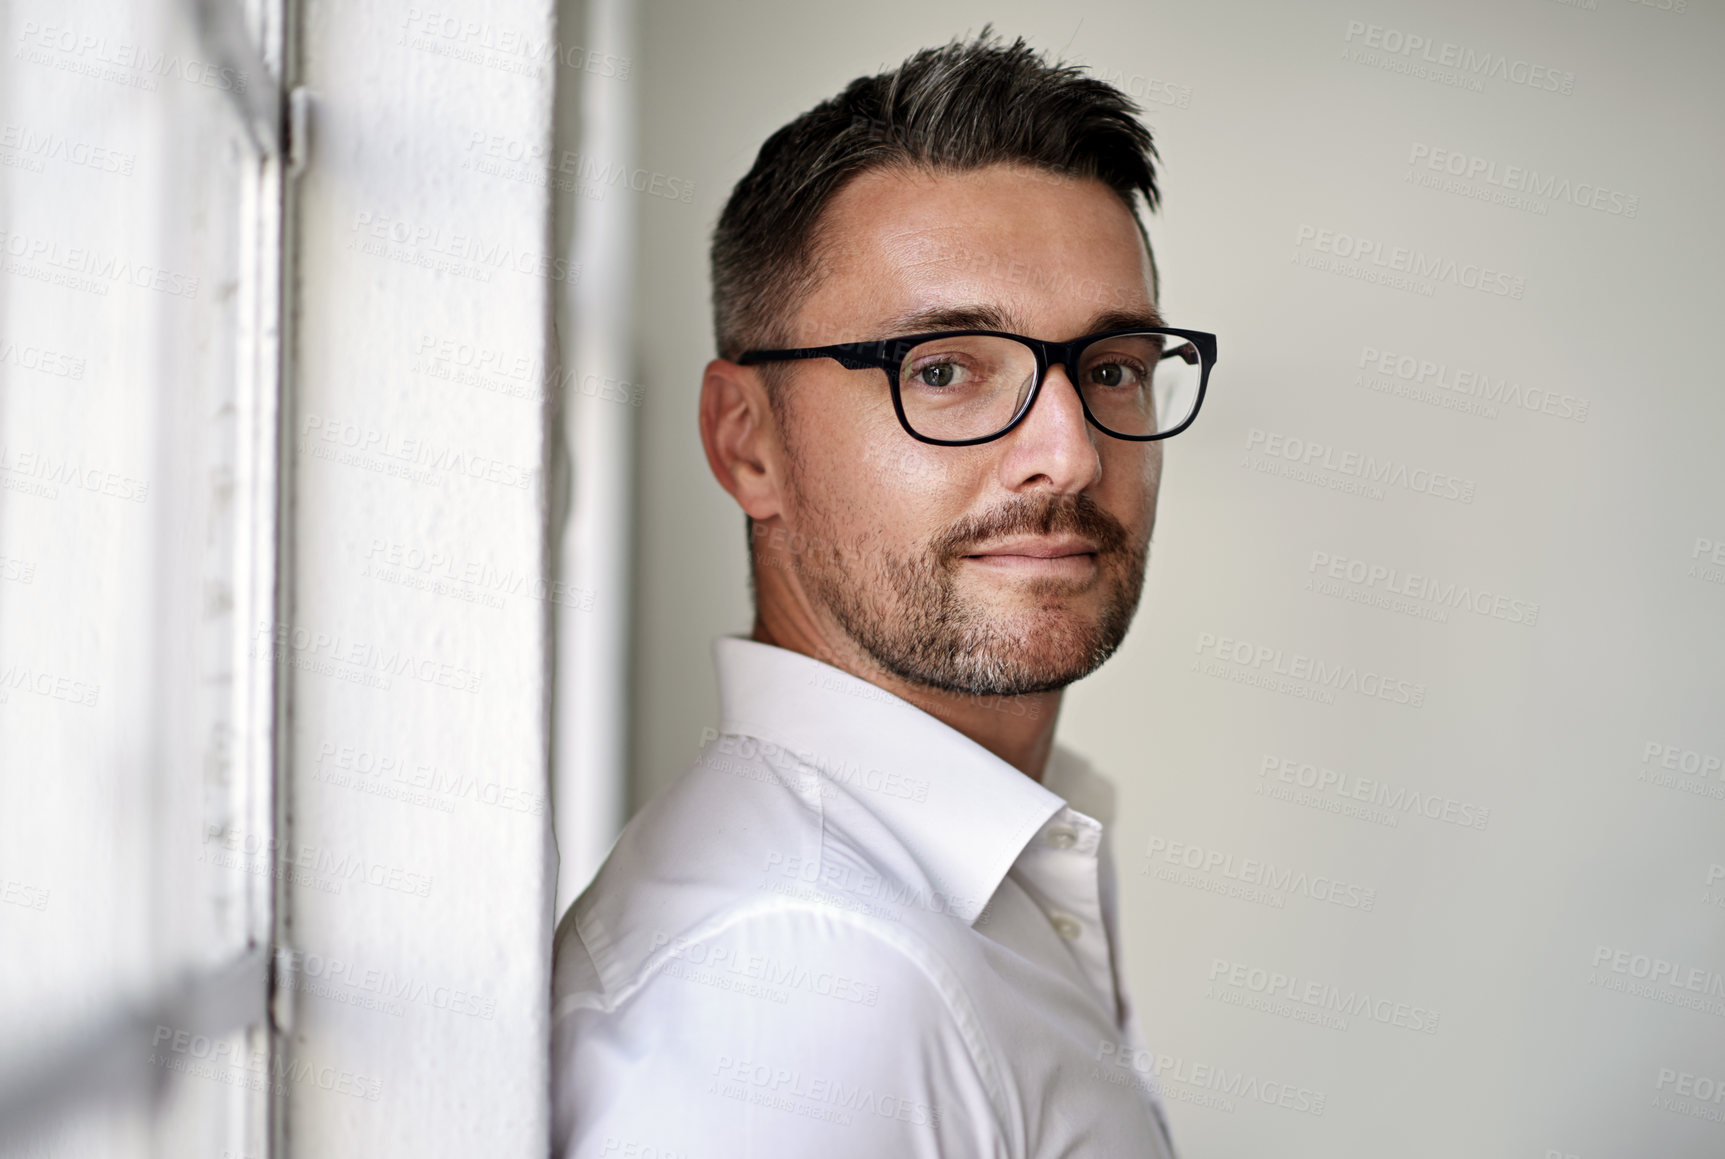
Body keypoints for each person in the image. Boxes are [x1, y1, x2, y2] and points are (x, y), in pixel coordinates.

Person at [551, 27, 1215, 1158]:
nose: (1069, 453)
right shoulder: (797, 994)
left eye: (1110, 370)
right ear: (745, 441)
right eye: (946, 369)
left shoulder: (937, 891)